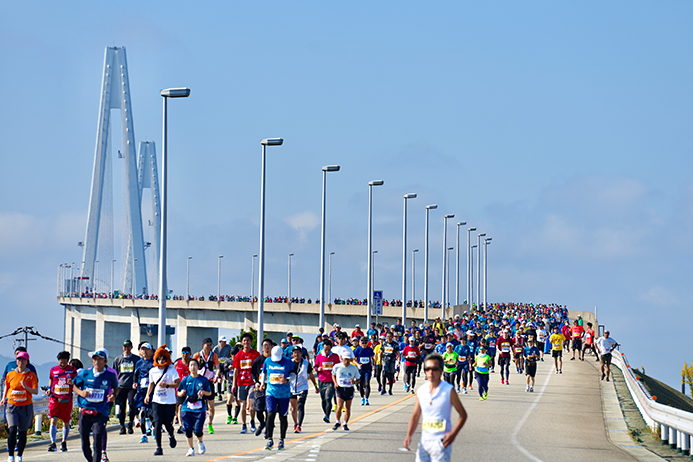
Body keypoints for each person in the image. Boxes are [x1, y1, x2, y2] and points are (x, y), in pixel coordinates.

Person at [403, 353, 467, 462]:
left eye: (434, 369)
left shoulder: (448, 390)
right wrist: (409, 435)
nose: (431, 372)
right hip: (424, 441)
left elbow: (463, 414)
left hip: (441, 442)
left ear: (441, 371)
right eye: (427, 369)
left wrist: (453, 434)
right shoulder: (421, 391)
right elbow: (415, 415)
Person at [72, 350, 119, 462]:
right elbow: (73, 386)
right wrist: (81, 393)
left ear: (105, 361)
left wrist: (113, 395)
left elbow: (116, 388)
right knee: (85, 444)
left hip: (101, 411)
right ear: (92, 361)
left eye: (100, 359)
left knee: (97, 439)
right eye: (95, 359)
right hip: (85, 411)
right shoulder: (85, 374)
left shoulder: (110, 375)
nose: (97, 361)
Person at [1, 351, 39, 462]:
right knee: (12, 429)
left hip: (26, 407)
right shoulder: (10, 374)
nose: (20, 361)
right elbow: (6, 387)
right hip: (12, 406)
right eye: (18, 359)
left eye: (23, 360)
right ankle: (11, 455)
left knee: (22, 432)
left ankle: (19, 455)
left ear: (27, 361)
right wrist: (3, 398)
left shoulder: (31, 375)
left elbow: (36, 391)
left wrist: (26, 387)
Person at [145, 345, 180, 456]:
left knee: (168, 424)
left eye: (163, 359)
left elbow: (178, 383)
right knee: (157, 423)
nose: (161, 361)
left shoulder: (171, 370)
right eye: (159, 359)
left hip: (169, 402)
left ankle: (171, 436)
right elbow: (151, 384)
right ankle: (159, 447)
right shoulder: (152, 371)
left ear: (167, 359)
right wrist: (147, 395)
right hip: (157, 401)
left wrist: (168, 386)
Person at [261, 345, 295, 451]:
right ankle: (270, 439)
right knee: (270, 414)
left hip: (284, 394)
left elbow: (294, 374)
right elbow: (264, 372)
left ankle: (281, 439)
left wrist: (288, 379)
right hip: (271, 391)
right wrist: (262, 383)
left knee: (282, 416)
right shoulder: (267, 360)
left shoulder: (288, 361)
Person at [176, 358, 212, 457]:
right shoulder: (185, 380)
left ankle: (200, 443)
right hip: (187, 407)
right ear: (188, 367)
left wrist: (203, 392)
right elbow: (178, 392)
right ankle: (191, 448)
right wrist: (181, 393)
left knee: (197, 431)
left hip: (199, 408)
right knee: (188, 430)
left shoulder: (203, 380)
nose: (193, 367)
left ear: (198, 367)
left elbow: (209, 392)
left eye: (195, 365)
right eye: (191, 365)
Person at [46, 351, 78, 453]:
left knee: (66, 422)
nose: (62, 364)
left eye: (64, 362)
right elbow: (51, 379)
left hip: (67, 400)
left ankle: (64, 442)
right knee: (53, 419)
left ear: (68, 361)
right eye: (60, 362)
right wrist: (49, 388)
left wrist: (72, 383)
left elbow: (78, 381)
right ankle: (53, 442)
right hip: (55, 398)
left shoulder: (72, 370)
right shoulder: (53, 369)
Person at [231, 332, 260, 434]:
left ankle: (252, 421)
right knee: (243, 405)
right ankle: (244, 425)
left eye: (248, 340)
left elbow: (259, 369)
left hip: (252, 382)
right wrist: (234, 384)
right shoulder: (238, 355)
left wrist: (259, 381)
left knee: (252, 404)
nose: (246, 342)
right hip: (241, 383)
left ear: (251, 342)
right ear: (242, 342)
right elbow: (236, 370)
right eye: (244, 341)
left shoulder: (255, 354)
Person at [193, 338, 219, 434]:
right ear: (203, 344)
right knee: (198, 405)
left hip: (210, 382)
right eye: (207, 345)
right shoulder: (197, 355)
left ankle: (210, 423)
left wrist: (217, 375)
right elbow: (192, 367)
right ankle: (197, 423)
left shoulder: (214, 355)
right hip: (200, 382)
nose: (209, 347)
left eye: (210, 345)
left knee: (211, 406)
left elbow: (218, 367)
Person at [113, 339, 139, 434]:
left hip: (131, 386)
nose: (127, 349)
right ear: (122, 348)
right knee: (121, 406)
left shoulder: (136, 359)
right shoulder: (118, 360)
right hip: (121, 386)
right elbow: (114, 373)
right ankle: (122, 426)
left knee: (131, 404)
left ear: (131, 347)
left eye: (129, 347)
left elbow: (138, 373)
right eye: (125, 347)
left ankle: (130, 423)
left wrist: (136, 382)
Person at [289, 346, 318, 433]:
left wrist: (315, 386)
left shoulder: (306, 363)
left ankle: (299, 425)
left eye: (298, 352)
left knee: (300, 405)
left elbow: (311, 375)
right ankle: (295, 423)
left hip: (303, 388)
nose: (296, 354)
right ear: (292, 354)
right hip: (292, 388)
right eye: (294, 352)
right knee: (294, 408)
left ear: (301, 353)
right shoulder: (289, 363)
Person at [331, 348, 360, 432]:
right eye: (345, 359)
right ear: (342, 359)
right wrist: (335, 383)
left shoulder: (354, 368)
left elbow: (358, 378)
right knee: (339, 406)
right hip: (340, 388)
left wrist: (354, 381)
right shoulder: (337, 366)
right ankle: (337, 421)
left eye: (348, 359)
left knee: (347, 408)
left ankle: (345, 423)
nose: (346, 361)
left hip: (349, 389)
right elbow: (333, 374)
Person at [251, 338, 273, 437]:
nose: (266, 347)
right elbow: (253, 373)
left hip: (271, 387)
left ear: (272, 347)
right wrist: (256, 382)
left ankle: (268, 430)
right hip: (260, 387)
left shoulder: (274, 360)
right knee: (258, 409)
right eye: (264, 345)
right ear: (262, 347)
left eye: (268, 345)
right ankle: (262, 423)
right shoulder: (258, 360)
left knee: (269, 410)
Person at [133, 342, 154, 443]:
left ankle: (153, 427)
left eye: (146, 349)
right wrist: (135, 383)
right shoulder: (138, 363)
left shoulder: (154, 362)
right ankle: (144, 434)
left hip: (153, 391)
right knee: (142, 412)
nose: (144, 351)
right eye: (142, 349)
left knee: (151, 413)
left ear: (151, 351)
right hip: (141, 391)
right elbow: (135, 374)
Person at [314, 339, 339, 423]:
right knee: (323, 399)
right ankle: (325, 413)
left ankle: (327, 416)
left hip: (331, 381)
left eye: (328, 349)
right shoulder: (319, 356)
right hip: (321, 380)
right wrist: (318, 369)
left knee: (328, 398)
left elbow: (338, 368)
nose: (327, 351)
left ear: (331, 348)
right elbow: (315, 366)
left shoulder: (335, 356)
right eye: (325, 349)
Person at [174, 346, 192, 434]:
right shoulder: (177, 364)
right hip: (180, 389)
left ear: (190, 354)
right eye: (183, 353)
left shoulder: (192, 364)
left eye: (187, 353)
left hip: (191, 389)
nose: (185, 355)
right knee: (180, 406)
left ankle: (190, 423)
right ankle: (181, 425)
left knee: (190, 407)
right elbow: (173, 375)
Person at [352, 336, 374, 404]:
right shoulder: (357, 350)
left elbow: (372, 357)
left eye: (365, 342)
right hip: (360, 368)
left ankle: (367, 398)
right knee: (361, 384)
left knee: (367, 383)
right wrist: (357, 364)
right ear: (360, 342)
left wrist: (373, 365)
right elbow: (353, 359)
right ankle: (362, 398)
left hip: (367, 368)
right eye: (362, 342)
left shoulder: (369, 349)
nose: (364, 343)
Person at [213, 336, 232, 401]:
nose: (225, 342)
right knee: (219, 380)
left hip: (226, 364)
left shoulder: (228, 347)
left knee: (228, 378)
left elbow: (231, 355)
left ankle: (229, 392)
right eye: (223, 341)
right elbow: (213, 356)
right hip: (219, 365)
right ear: (220, 342)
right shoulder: (216, 349)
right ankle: (219, 394)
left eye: (225, 341)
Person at [381, 331, 400, 396]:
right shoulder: (384, 343)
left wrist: (398, 361)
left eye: (390, 336)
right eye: (387, 336)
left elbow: (398, 353)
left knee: (391, 375)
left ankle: (390, 390)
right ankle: (383, 388)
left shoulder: (395, 344)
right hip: (385, 360)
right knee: (384, 374)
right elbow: (381, 351)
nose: (389, 338)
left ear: (392, 337)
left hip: (392, 361)